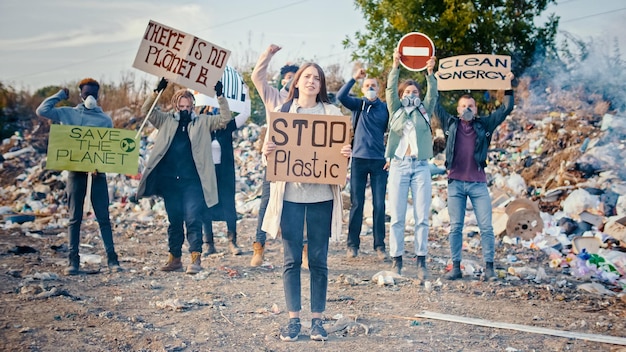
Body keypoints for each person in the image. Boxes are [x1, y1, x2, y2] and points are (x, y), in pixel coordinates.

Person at [262, 63, 351, 342]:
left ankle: (317, 321)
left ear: (322, 85)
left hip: (321, 198)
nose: (312, 81)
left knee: (318, 260)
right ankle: (293, 320)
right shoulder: (284, 114)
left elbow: (339, 160)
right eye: (307, 77)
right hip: (290, 198)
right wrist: (267, 151)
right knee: (291, 260)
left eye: (317, 78)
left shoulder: (333, 115)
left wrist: (345, 153)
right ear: (297, 82)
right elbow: (270, 157)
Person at [137, 78, 231, 275]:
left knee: (192, 218)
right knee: (175, 220)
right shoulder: (165, 120)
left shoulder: (203, 122)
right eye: (181, 106)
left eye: (188, 106)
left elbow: (224, 119)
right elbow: (146, 111)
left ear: (193, 106)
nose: (184, 109)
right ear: (175, 106)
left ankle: (195, 259)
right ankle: (175, 259)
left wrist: (220, 96)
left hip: (194, 182)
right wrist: (157, 91)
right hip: (170, 181)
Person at [36, 78, 122, 275]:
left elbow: (108, 147)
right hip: (76, 173)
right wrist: (59, 96)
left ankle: (112, 260)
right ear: (80, 94)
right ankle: (73, 262)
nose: (89, 97)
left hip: (97, 174)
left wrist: (99, 166)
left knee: (104, 218)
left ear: (98, 96)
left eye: (93, 94)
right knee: (74, 219)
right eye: (86, 93)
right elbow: (41, 111)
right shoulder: (67, 114)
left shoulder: (105, 120)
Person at [433, 73, 515, 281]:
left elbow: (506, 108)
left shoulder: (484, 125)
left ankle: (489, 269)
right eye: (463, 106)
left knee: (486, 227)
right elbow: (434, 104)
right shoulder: (450, 123)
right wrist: (433, 79)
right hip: (455, 184)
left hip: (478, 184)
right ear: (458, 109)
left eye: (471, 106)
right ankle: (456, 268)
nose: (467, 109)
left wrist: (508, 84)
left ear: (476, 110)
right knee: (455, 227)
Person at [385, 49, 437, 279]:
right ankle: (396, 260)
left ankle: (421, 260)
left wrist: (429, 73)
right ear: (401, 94)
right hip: (398, 165)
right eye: (407, 91)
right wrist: (395, 66)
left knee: (421, 216)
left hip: (421, 166)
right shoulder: (395, 110)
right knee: (397, 216)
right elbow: (388, 90)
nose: (411, 94)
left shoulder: (424, 111)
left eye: (414, 91)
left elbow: (433, 93)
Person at [250, 44, 299, 267]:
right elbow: (257, 77)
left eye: (294, 78)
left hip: (300, 164)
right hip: (276, 162)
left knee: (300, 207)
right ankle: (258, 249)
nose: (289, 81)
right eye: (286, 78)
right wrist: (268, 55)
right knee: (267, 204)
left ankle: (303, 251)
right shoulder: (274, 99)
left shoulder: (305, 104)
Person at [337, 68, 389, 260]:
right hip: (358, 159)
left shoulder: (385, 108)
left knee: (379, 204)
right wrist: (354, 78)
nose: (370, 88)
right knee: (357, 204)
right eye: (367, 86)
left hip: (379, 161)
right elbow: (341, 96)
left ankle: (380, 246)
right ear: (362, 89)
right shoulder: (358, 105)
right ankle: (352, 245)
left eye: (373, 86)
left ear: (379, 89)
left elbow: (394, 132)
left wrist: (390, 156)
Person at [202, 86, 251, 256]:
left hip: (225, 172)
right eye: (211, 107)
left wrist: (246, 95)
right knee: (205, 206)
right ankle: (209, 244)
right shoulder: (202, 125)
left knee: (229, 206)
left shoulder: (228, 124)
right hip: (207, 172)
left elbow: (244, 115)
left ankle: (232, 242)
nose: (214, 110)